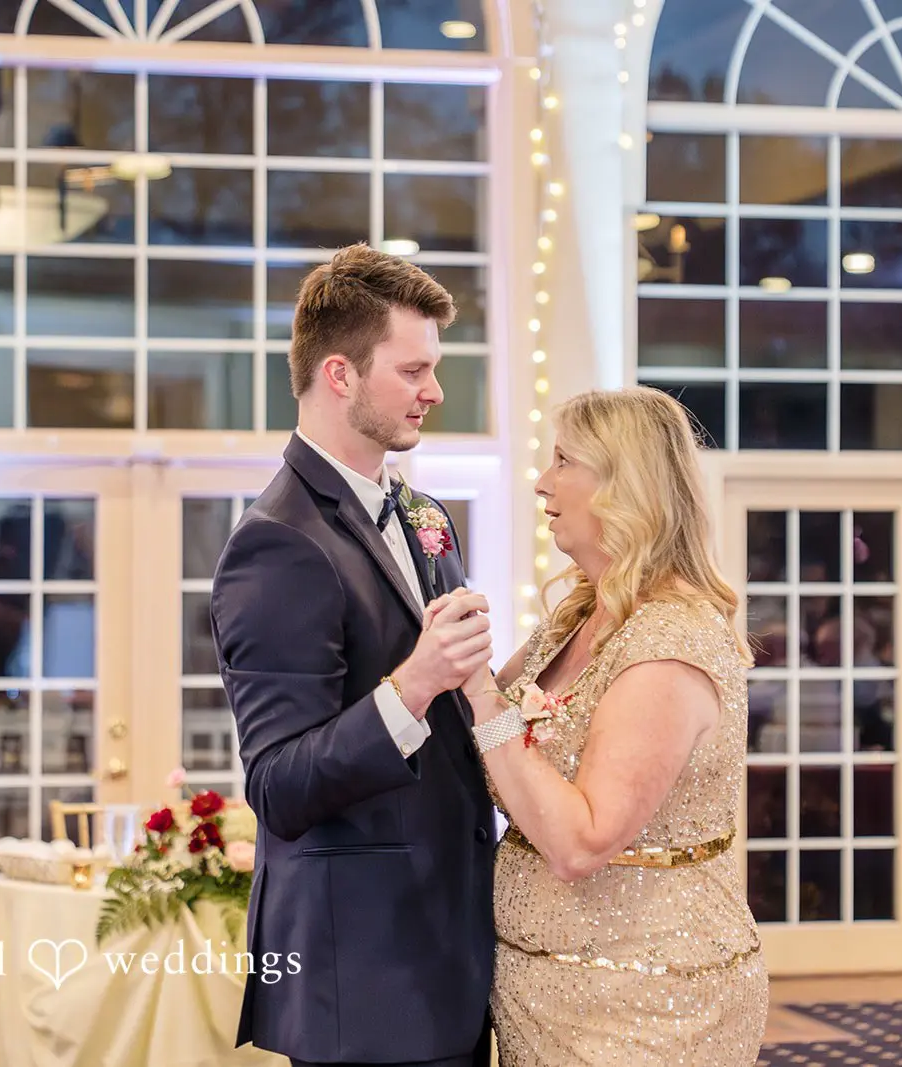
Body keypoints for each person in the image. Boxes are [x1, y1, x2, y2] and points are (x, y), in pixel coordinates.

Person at [210, 244, 496, 1067]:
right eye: (412, 370)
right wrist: (414, 684)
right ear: (339, 374)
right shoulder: (276, 542)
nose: (434, 391)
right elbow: (280, 786)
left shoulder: (421, 512)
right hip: (366, 978)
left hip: (448, 949)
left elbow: (451, 703)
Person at [436, 386, 768, 1064]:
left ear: (626, 485)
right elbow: (488, 749)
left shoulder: (668, 644)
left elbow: (582, 842)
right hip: (540, 989)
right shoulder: (576, 617)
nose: (542, 482)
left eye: (564, 461)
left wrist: (486, 697)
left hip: (642, 1004)